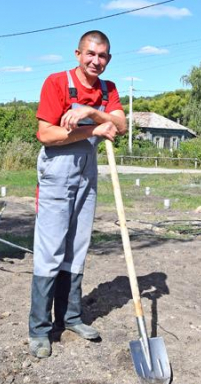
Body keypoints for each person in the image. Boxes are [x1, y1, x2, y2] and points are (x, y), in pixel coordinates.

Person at [28, 30, 126, 358]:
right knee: (51, 249)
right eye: (90, 54)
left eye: (102, 56)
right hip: (57, 173)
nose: (96, 61)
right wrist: (92, 129)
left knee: (78, 246)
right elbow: (45, 133)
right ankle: (40, 329)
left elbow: (120, 125)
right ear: (78, 54)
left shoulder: (107, 89)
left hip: (87, 173)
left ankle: (70, 317)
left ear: (108, 59)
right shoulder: (56, 83)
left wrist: (94, 113)